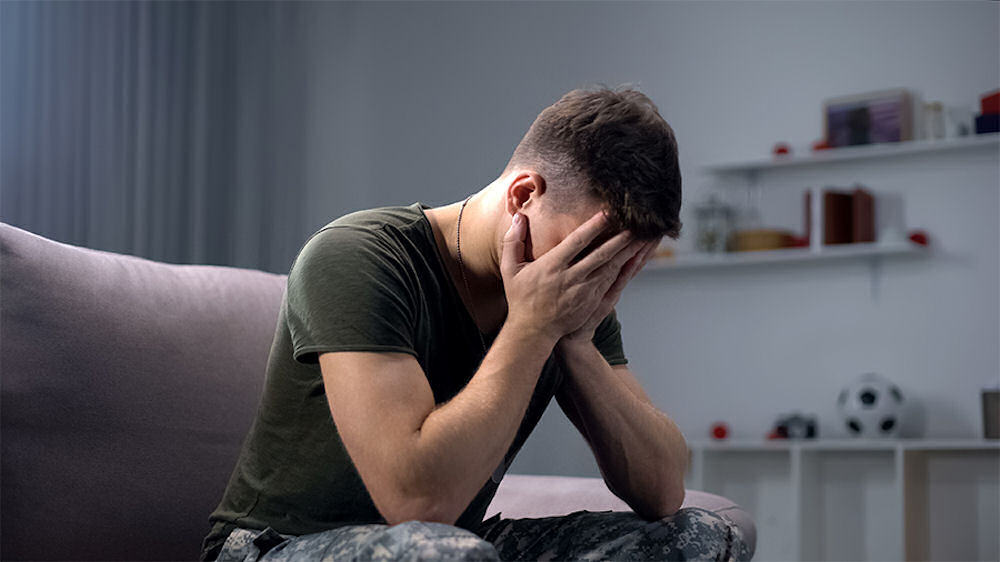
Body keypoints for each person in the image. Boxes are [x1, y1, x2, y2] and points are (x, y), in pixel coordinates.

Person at [201, 87, 750, 561]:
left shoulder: (569, 299)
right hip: (276, 547)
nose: (601, 281)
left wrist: (575, 341)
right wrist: (532, 329)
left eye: (623, 266)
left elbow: (662, 492)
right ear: (523, 196)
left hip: (451, 546)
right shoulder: (357, 256)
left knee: (698, 539)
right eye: (588, 253)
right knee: (446, 552)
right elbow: (417, 503)